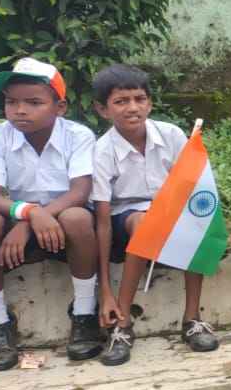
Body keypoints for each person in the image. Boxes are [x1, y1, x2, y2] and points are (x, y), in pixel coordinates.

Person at [90, 64, 218, 366]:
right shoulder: (102, 151)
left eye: (139, 99)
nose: (133, 108)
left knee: (194, 221)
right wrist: (105, 289)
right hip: (126, 216)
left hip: (171, 210)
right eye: (121, 101)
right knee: (143, 222)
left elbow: (192, 185)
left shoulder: (171, 135)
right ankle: (122, 324)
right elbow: (103, 220)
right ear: (103, 109)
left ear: (150, 103)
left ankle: (192, 319)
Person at [0, 58, 100, 371]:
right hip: (18, 218)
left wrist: (34, 218)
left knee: (76, 217)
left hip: (66, 221)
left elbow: (80, 191)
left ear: (59, 107)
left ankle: (85, 313)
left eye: (33, 102)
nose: (20, 110)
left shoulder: (78, 135)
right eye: (11, 102)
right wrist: (28, 214)